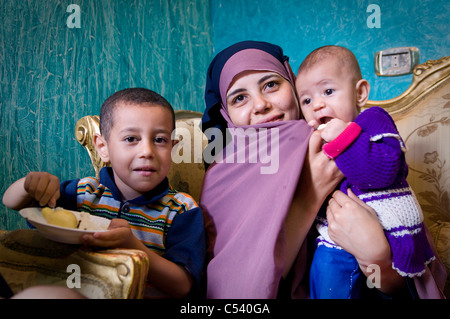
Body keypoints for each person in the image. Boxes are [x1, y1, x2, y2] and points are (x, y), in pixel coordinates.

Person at [2, 88, 206, 299]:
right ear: (103, 147)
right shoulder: (84, 194)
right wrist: (29, 185)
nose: (147, 151)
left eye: (160, 140)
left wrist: (132, 246)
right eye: (131, 139)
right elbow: (13, 203)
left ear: (172, 148)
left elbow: (183, 285)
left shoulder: (181, 208)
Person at [296, 45, 441, 298]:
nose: (317, 105)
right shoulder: (312, 139)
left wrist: (343, 137)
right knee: (324, 274)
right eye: (306, 100)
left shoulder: (372, 121)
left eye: (328, 91)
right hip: (333, 239)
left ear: (360, 93)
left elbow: (381, 173)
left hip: (385, 236)